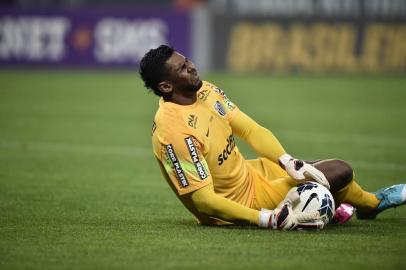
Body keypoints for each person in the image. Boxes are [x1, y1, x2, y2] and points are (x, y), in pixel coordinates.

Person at [139, 45, 406, 230]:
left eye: (188, 61)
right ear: (166, 86)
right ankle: (349, 207)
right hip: (241, 201)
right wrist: (265, 218)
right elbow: (204, 201)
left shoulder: (206, 91)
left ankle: (363, 205)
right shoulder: (173, 131)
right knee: (339, 170)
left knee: (316, 170)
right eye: (182, 68)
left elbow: (250, 130)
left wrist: (286, 160)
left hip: (250, 172)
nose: (192, 67)